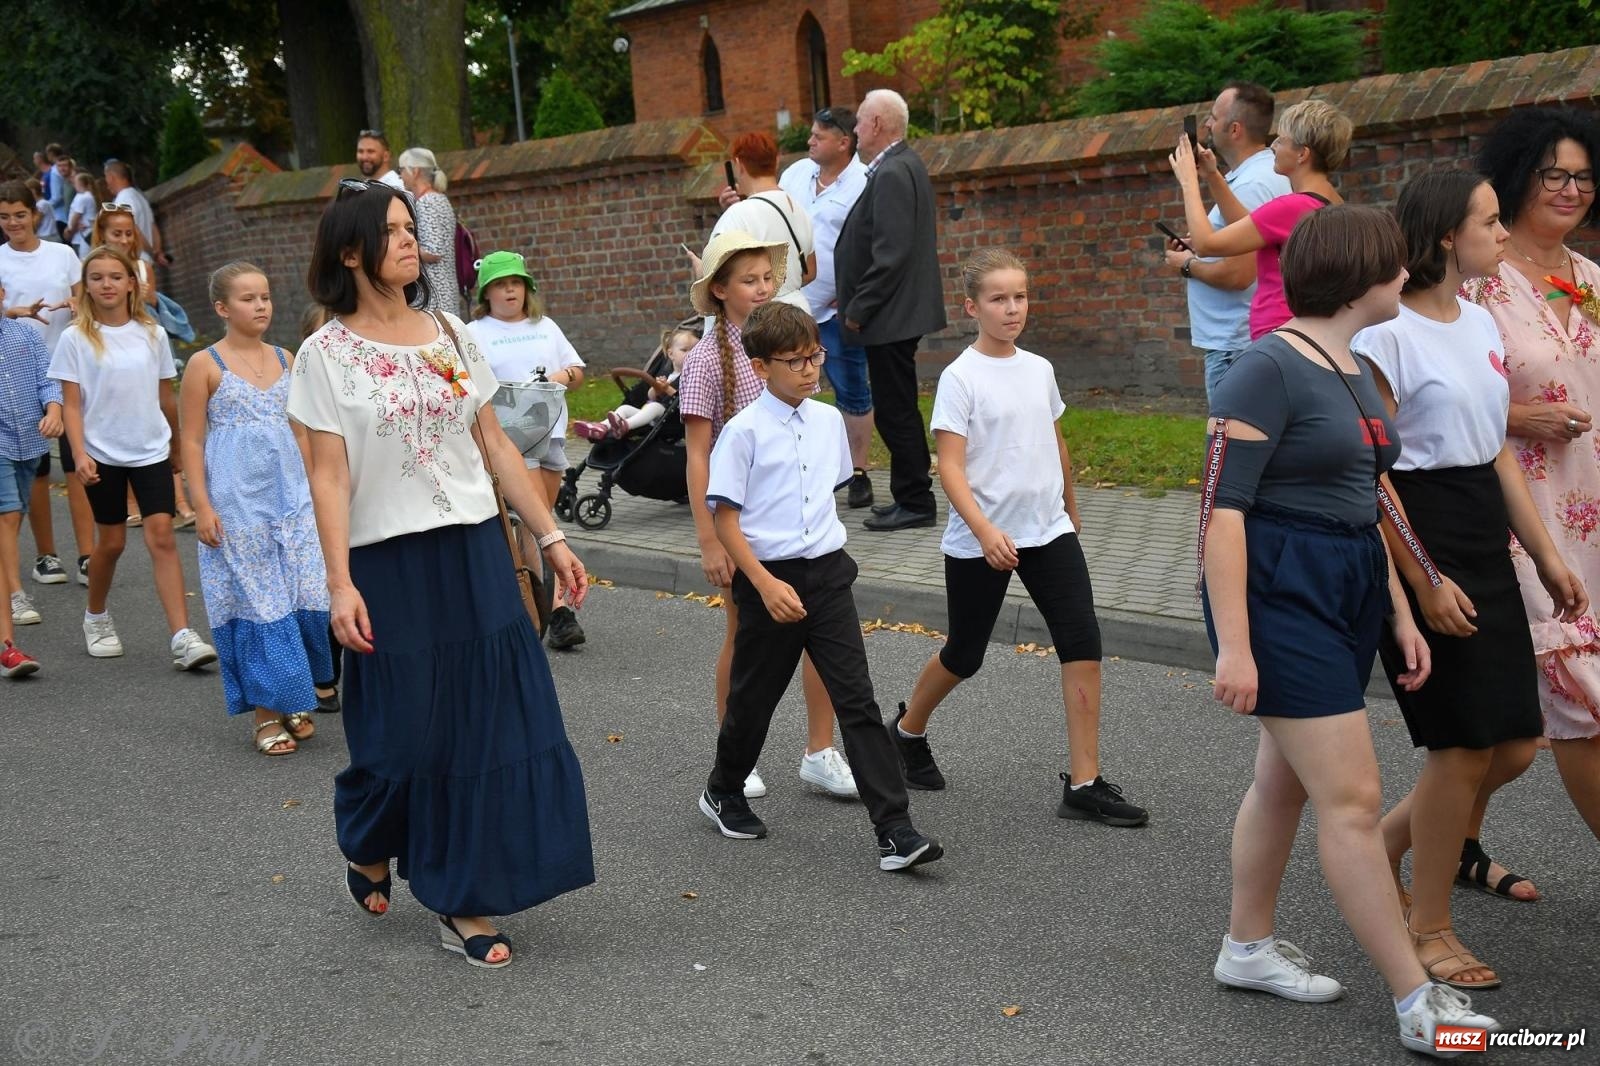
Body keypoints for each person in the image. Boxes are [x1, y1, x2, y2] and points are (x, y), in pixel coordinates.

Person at [1201, 204, 1499, 1054]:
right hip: (1281, 592)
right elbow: (1220, 512)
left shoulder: (1355, 365)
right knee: (1354, 800)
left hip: (1348, 584)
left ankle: (1246, 948)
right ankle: (1416, 998)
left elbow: (1366, 494)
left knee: (1284, 782)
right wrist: (1235, 645)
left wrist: (1401, 609)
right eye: (1393, 263)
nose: (1406, 274)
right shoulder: (1264, 368)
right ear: (1357, 274)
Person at [287, 178, 594, 968]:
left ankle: (462, 896)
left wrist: (551, 536)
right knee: (403, 733)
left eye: (408, 228)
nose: (410, 242)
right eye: (391, 231)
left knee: (488, 722)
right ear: (349, 252)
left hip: (473, 549)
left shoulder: (450, 333)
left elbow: (494, 443)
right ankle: (369, 833)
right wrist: (339, 583)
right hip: (385, 561)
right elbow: (327, 476)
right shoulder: (325, 355)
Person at [1352, 168, 1586, 991]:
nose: (1503, 233)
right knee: (1462, 746)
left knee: (1514, 743)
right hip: (1421, 532)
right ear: (1449, 234)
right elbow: (1372, 474)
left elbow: (1494, 449)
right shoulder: (1385, 335)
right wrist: (1422, 582)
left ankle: (1375, 850)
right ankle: (1429, 927)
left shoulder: (1479, 319)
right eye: (1489, 222)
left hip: (1484, 533)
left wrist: (1547, 554)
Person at [889, 248, 1149, 826]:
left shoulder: (1039, 369)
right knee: (965, 653)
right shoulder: (960, 377)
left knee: (1082, 642)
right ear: (972, 307)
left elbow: (1054, 441)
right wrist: (984, 531)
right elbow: (949, 466)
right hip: (984, 538)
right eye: (998, 299)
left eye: (1020, 296)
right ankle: (906, 731)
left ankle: (1084, 783)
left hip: (1048, 529)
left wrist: (1071, 507)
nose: (1012, 309)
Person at [700, 299, 939, 870]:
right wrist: (763, 583)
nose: (809, 370)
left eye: (815, 356)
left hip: (829, 575)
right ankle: (723, 790)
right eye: (795, 361)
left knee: (858, 702)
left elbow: (819, 497)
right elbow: (726, 519)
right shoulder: (743, 433)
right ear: (761, 366)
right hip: (769, 581)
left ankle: (895, 830)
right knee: (753, 701)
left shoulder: (829, 423)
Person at [1464, 105, 1600, 846]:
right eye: (1554, 174)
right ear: (1518, 175)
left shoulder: (1591, 278)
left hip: (1594, 510)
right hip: (1524, 512)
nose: (1571, 189)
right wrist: (1522, 416)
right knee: (1579, 696)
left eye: (1583, 176)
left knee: (1504, 739)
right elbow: (1433, 396)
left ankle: (1446, 839)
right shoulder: (1478, 284)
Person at [682, 229, 857, 800]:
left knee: (820, 639)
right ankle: (737, 754)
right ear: (719, 290)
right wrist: (709, 539)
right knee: (744, 639)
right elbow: (698, 454)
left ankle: (820, 750)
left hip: (796, 522)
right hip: (742, 526)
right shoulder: (707, 359)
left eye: (767, 278)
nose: (761, 288)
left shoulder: (791, 340)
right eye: (748, 280)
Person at [179, 262, 334, 756]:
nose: (261, 305)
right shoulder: (205, 365)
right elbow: (190, 439)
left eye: (264, 296)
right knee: (261, 606)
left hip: (293, 503)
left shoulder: (286, 358)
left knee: (306, 598)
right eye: (248, 299)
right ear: (223, 308)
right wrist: (201, 505)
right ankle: (266, 716)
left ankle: (292, 696)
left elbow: (300, 432)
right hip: (238, 505)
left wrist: (317, 493)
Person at [49, 245, 217, 669]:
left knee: (162, 535)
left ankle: (182, 635)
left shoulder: (152, 333)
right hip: (100, 453)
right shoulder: (74, 338)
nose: (107, 284)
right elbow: (71, 405)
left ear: (131, 283)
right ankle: (96, 617)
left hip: (150, 450)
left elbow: (166, 397)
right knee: (112, 542)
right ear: (86, 287)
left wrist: (175, 447)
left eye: (115, 276)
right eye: (97, 277)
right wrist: (79, 453)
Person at [835, 89, 947, 532]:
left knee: (896, 409)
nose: (855, 129)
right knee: (896, 406)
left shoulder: (894, 171)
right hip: (896, 313)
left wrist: (858, 307)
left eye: (860, 121)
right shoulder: (900, 165)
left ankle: (916, 501)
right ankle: (909, 495)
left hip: (890, 317)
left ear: (877, 123)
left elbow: (892, 253)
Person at [465, 250, 587, 650]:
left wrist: (559, 376)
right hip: (511, 439)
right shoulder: (475, 331)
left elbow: (578, 373)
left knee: (540, 521)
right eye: (501, 284)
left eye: (516, 283)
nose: (510, 291)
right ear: (486, 293)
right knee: (540, 527)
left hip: (552, 433)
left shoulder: (545, 326)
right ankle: (557, 612)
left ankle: (527, 597)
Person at [1172, 99, 1350, 340]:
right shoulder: (1334, 203)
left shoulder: (1290, 207)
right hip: (1308, 333)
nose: (1273, 146)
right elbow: (1253, 226)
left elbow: (1205, 245)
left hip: (1277, 333)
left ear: (1302, 154)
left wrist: (1188, 182)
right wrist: (1213, 176)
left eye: (1281, 140)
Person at [1161, 83, 1291, 401]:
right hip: (1245, 340)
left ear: (1235, 129)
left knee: (1230, 432)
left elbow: (1240, 274)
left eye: (1213, 117)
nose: (1207, 124)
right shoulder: (1263, 173)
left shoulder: (1251, 185)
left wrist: (1187, 264)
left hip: (1237, 343)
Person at [778, 106, 876, 509]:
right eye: (812, 134)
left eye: (819, 136)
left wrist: (854, 292)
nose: (810, 141)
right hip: (791, 306)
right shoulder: (796, 174)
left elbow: (872, 242)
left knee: (852, 389)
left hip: (837, 311)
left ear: (844, 142)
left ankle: (858, 471)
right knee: (787, 388)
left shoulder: (864, 183)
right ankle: (798, 471)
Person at [0, 180, 93, 589]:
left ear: (35, 214)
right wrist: (15, 312)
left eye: (20, 214)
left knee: (77, 462)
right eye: (4, 217)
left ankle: (87, 556)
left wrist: (77, 305)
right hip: (18, 375)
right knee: (36, 467)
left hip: (68, 368)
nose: (13, 223)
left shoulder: (63, 254)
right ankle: (46, 555)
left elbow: (85, 302)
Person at [0, 276, 60, 678]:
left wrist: (53, 410)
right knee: (6, 516)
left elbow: (47, 379)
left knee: (13, 518)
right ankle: (15, 596)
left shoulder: (25, 334)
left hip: (30, 442)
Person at [706, 131, 815, 310]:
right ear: (776, 161)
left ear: (739, 164)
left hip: (760, 318)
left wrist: (698, 268)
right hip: (798, 313)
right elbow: (810, 272)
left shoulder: (736, 216)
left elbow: (716, 281)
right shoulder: (799, 209)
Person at [571, 325, 697, 441]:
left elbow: (683, 401)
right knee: (625, 409)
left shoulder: (693, 376)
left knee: (654, 407)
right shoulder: (667, 374)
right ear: (671, 354)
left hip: (674, 421)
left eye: (695, 350)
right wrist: (656, 388)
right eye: (684, 350)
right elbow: (651, 396)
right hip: (654, 417)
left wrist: (667, 389)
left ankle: (624, 426)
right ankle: (601, 427)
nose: (691, 354)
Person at [397, 147, 459, 317]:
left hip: (435, 293)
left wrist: (403, 248)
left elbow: (433, 252)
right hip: (445, 288)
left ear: (415, 171)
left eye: (401, 170)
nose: (400, 176)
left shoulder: (427, 202)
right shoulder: (440, 198)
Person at [104, 161, 168, 265]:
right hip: (147, 262)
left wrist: (152, 252)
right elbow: (153, 227)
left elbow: (133, 230)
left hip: (135, 261)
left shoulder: (122, 200)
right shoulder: (140, 197)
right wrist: (157, 251)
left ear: (111, 177)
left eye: (106, 177)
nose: (106, 184)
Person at [66, 171, 102, 258]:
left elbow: (76, 216)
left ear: (80, 183)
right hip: (84, 234)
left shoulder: (84, 197)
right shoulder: (86, 196)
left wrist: (70, 231)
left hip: (82, 235)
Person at [49, 157, 74, 243]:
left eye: (64, 165)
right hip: (67, 222)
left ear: (70, 167)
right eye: (59, 166)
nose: (62, 168)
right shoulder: (65, 181)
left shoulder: (75, 181)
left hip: (75, 224)